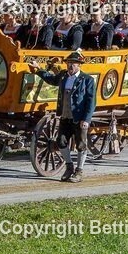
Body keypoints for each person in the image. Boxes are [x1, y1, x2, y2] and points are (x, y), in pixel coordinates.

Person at [28, 50, 96, 182]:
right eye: (69, 63)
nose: (70, 66)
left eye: (73, 64)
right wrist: (38, 69)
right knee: (61, 141)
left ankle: (79, 171)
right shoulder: (64, 76)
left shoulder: (87, 80)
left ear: (79, 65)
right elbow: (51, 79)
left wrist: (86, 119)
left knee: (81, 144)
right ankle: (69, 166)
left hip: (79, 117)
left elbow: (91, 101)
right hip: (65, 116)